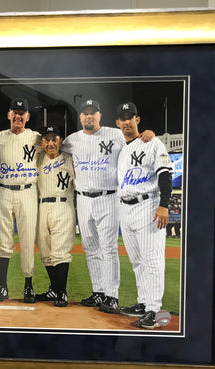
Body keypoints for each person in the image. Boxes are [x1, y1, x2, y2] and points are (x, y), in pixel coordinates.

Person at [61, 99, 154, 314]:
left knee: (109, 248)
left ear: (99, 116)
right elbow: (51, 147)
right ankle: (99, 292)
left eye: (93, 113)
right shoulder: (72, 140)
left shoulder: (115, 134)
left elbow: (136, 139)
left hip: (109, 197)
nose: (89, 116)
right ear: (81, 117)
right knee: (91, 249)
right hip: (82, 200)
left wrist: (147, 133)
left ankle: (111, 295)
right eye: (85, 113)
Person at [115, 102, 172, 329]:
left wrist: (164, 205)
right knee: (137, 261)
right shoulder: (122, 149)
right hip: (126, 209)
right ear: (118, 122)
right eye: (122, 118)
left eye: (131, 117)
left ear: (137, 120)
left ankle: (154, 310)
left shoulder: (152, 142)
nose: (127, 121)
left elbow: (165, 173)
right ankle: (142, 302)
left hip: (148, 207)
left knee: (152, 261)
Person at [0, 98, 41, 303]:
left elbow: (59, 145)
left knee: (28, 239)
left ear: (28, 117)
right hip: (3, 191)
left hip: (28, 191)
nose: (19, 116)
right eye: (15, 112)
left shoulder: (37, 138)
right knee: (3, 240)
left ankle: (28, 286)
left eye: (23, 112)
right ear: (9, 115)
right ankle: (2, 286)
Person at [35, 126, 76, 307]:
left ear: (61, 141)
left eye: (55, 139)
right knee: (45, 252)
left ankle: (62, 292)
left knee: (59, 251)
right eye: (47, 139)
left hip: (63, 205)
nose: (51, 143)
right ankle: (54, 288)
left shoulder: (70, 160)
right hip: (41, 206)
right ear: (42, 143)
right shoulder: (38, 159)